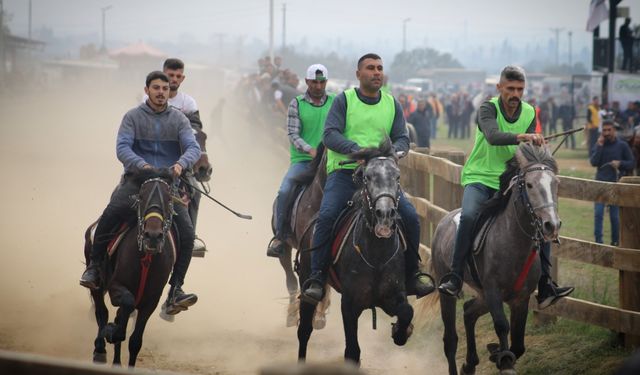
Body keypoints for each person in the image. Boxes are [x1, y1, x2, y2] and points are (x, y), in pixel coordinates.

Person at [437, 66, 574, 308]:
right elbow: (492, 136)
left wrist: (539, 147)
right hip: (480, 178)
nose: (515, 93)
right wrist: (524, 136)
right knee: (468, 216)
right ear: (499, 88)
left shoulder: (530, 111)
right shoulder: (487, 108)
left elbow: (529, 153)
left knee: (540, 220)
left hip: (511, 180)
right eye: (510, 88)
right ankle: (455, 277)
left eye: (520, 89)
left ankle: (545, 284)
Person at [301, 53, 433, 304]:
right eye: (370, 68)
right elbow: (330, 135)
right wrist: (358, 152)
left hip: (381, 177)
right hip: (345, 172)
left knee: (411, 217)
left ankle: (413, 274)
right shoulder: (344, 101)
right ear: (358, 74)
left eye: (380, 68)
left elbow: (402, 137)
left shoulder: (392, 103)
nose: (376, 72)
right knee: (327, 215)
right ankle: (317, 277)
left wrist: (396, 152)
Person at [80, 71, 201, 315]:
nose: (160, 92)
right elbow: (122, 148)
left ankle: (175, 289)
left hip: (168, 186)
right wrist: (141, 165)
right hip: (136, 182)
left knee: (187, 232)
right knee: (111, 214)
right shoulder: (132, 117)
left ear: (169, 92)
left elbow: (193, 147)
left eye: (164, 89)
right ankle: (94, 267)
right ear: (147, 90)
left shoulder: (179, 120)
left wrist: (181, 164)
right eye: (155, 88)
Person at [267, 64, 335, 257]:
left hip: (330, 161)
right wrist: (311, 149)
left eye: (322, 82)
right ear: (307, 82)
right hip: (304, 160)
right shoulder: (297, 103)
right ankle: (280, 236)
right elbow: (293, 134)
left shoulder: (335, 102)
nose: (319, 86)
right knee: (285, 189)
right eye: (314, 82)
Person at [144, 58, 207, 254]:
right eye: (170, 75)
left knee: (195, 192)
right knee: (122, 192)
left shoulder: (188, 102)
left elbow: (196, 130)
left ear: (183, 78)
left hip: (180, 163)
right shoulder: (147, 101)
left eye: (178, 76)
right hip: (148, 163)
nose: (173, 79)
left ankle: (191, 236)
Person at [589, 120, 635, 246]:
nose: (607, 132)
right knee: (598, 214)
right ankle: (598, 242)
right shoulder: (600, 144)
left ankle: (615, 242)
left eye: (609, 130)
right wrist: (599, 146)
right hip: (600, 184)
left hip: (615, 184)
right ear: (602, 131)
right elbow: (593, 162)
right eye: (604, 130)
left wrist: (620, 163)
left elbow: (632, 162)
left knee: (615, 217)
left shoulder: (622, 145)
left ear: (614, 130)